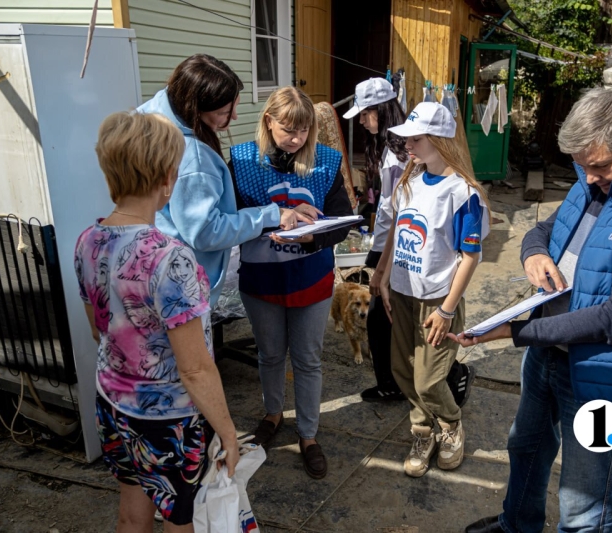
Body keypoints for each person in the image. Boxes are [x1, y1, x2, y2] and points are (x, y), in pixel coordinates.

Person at [451, 88, 612, 533]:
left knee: (584, 497)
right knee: (526, 447)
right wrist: (533, 252)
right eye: (582, 167)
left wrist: (514, 332)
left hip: (603, 376)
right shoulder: (597, 177)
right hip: (549, 354)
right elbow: (547, 228)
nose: (588, 178)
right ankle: (518, 524)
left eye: (599, 166)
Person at [75, 111, 240, 531]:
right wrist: (227, 432)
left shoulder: (87, 240)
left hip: (113, 403)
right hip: (168, 419)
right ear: (167, 178)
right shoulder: (170, 258)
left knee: (132, 513)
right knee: (181, 518)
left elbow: (99, 328)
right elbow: (196, 367)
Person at [229, 86, 352, 480]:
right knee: (269, 355)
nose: (296, 139)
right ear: (268, 122)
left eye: (304, 131)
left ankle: (309, 435)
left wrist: (313, 236)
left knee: (308, 359)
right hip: (261, 279)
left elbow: (342, 221)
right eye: (288, 129)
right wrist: (278, 214)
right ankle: (272, 414)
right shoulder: (242, 160)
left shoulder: (326, 163)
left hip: (310, 279)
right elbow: (229, 218)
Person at [137, 54, 311, 308]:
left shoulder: (149, 116)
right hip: (180, 284)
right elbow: (205, 231)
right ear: (195, 107)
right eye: (224, 112)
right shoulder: (193, 157)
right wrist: (270, 215)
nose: (234, 118)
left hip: (148, 262)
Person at [343, 78, 477, 405]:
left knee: (402, 325)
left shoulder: (409, 157)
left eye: (365, 113)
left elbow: (411, 215)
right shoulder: (391, 149)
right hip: (392, 246)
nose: (361, 121)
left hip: (409, 252)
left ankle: (445, 380)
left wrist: (382, 267)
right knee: (389, 322)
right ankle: (404, 383)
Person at [375, 102, 490, 478]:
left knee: (428, 378)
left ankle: (451, 423)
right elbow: (397, 231)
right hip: (403, 292)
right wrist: (385, 276)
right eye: (407, 137)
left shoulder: (462, 192)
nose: (408, 145)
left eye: (416, 138)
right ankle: (422, 433)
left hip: (436, 301)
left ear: (440, 140)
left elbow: (470, 257)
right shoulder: (408, 180)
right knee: (402, 369)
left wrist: (446, 309)